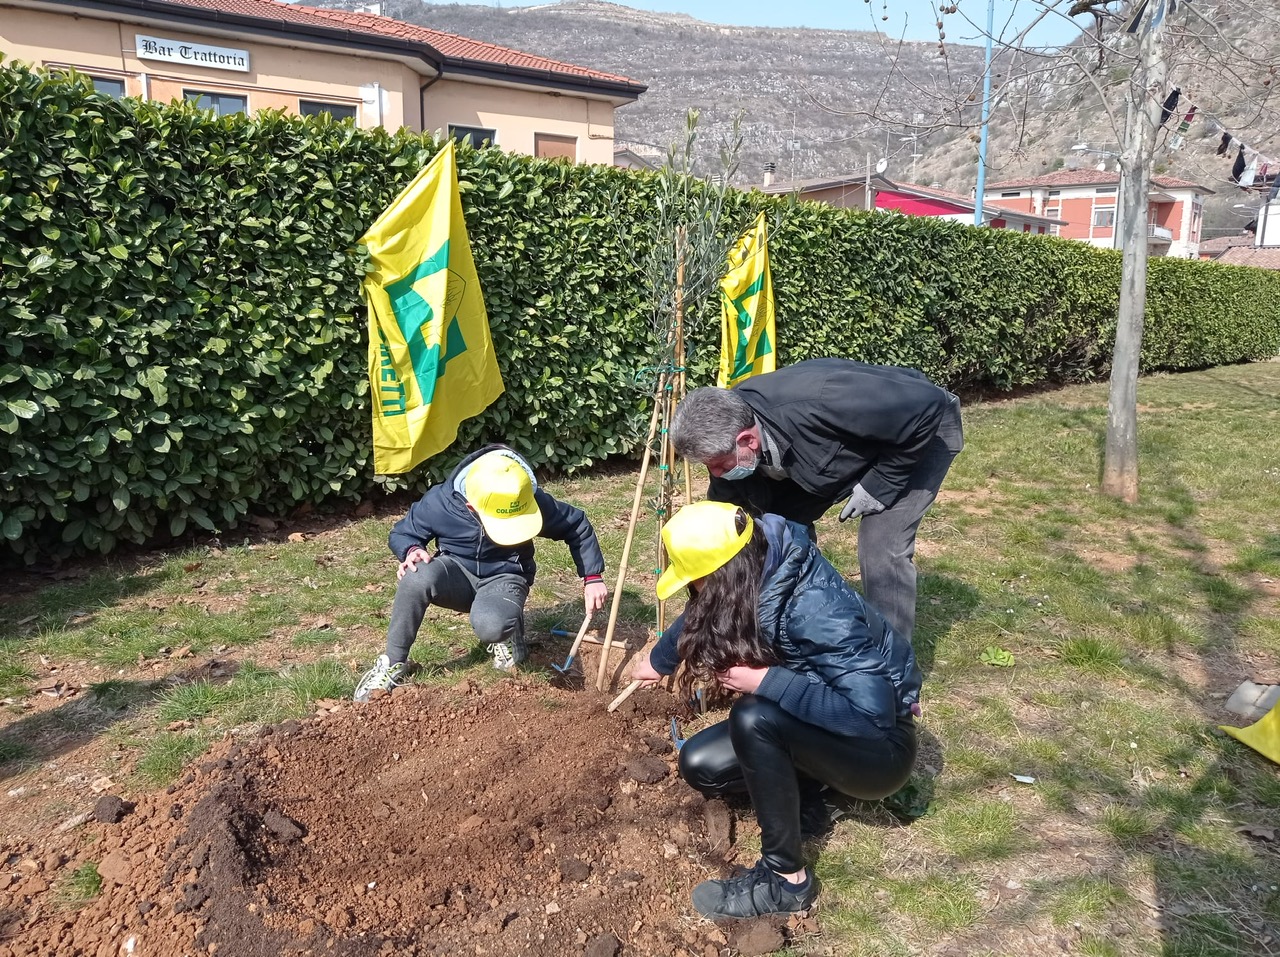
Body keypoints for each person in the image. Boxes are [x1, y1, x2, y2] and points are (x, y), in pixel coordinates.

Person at [629, 500, 921, 920]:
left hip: (879, 750)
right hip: (821, 724)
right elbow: (701, 609)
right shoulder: (754, 564)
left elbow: (869, 719)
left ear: (723, 574)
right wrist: (659, 662)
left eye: (696, 581)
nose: (694, 592)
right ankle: (811, 797)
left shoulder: (816, 610)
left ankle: (787, 881)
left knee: (753, 716)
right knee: (700, 764)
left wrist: (766, 681)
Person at [669, 357, 963, 644]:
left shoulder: (822, 401)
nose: (715, 474)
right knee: (772, 532)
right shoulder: (730, 429)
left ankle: (892, 661)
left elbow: (926, 404)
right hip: (829, 456)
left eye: (720, 464)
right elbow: (731, 524)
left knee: (881, 545)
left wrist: (881, 484)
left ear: (748, 440)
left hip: (917, 434)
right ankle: (792, 632)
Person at [354, 445, 608, 701]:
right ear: (470, 505)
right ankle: (393, 662)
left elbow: (575, 524)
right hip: (456, 572)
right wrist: (411, 550)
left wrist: (593, 577)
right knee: (415, 575)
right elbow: (403, 532)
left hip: (505, 576)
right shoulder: (440, 503)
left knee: (492, 624)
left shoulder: (526, 497)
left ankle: (508, 633)